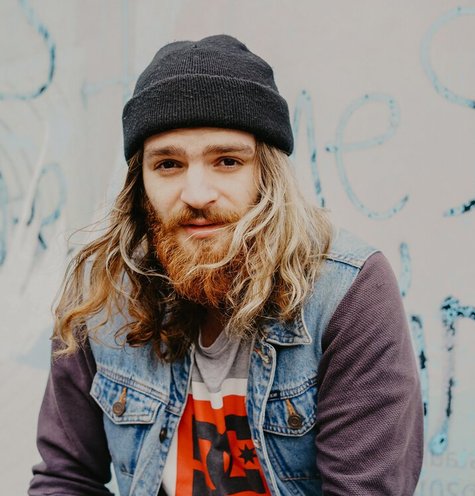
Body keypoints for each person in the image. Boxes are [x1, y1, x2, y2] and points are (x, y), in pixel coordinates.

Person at [29, 34, 423, 496]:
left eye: (228, 161)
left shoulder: (348, 294)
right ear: (139, 184)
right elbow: (65, 478)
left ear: (267, 175)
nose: (197, 194)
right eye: (168, 164)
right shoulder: (101, 294)